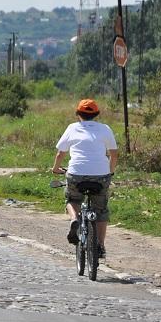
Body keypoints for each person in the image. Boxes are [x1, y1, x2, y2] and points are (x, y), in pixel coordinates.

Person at [51, 99, 118, 258]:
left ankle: (74, 219)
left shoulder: (72, 128)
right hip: (101, 175)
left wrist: (55, 169)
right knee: (101, 211)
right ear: (96, 114)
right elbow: (114, 154)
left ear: (78, 114)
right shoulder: (105, 129)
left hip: (76, 173)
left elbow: (61, 153)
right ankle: (100, 246)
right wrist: (110, 172)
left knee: (72, 199)